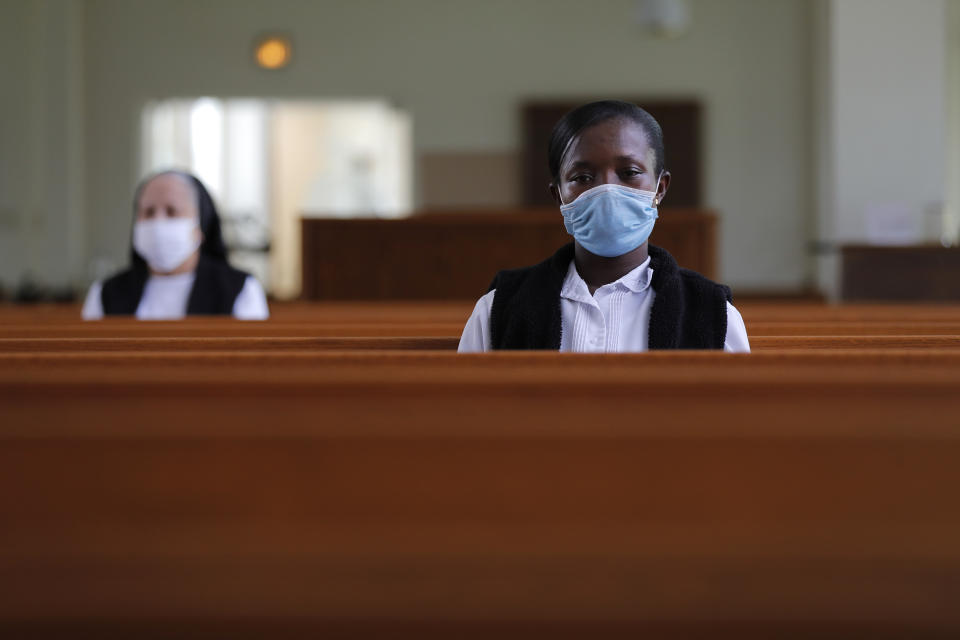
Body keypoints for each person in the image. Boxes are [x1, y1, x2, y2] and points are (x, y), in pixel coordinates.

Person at [458, 100, 748, 352]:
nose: (607, 190)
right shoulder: (499, 308)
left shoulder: (712, 312)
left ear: (660, 188)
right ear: (558, 195)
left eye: (629, 172)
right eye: (582, 177)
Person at [82, 170, 269, 320]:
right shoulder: (105, 294)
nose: (157, 222)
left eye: (172, 212)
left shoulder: (241, 290)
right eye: (148, 212)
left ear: (200, 226)